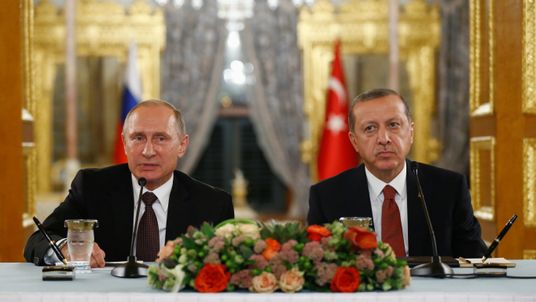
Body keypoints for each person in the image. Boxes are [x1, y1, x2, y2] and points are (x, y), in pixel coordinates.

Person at [24, 99, 234, 267]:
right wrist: (65, 249)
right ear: (124, 143)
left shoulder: (213, 204)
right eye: (138, 138)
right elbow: (37, 241)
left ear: (182, 145)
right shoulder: (92, 187)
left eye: (161, 138)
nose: (148, 151)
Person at [307, 88, 485, 258]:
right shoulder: (327, 197)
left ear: (411, 133)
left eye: (393, 125)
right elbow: (318, 265)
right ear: (354, 141)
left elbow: (476, 260)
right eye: (370, 128)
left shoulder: (449, 189)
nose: (384, 139)